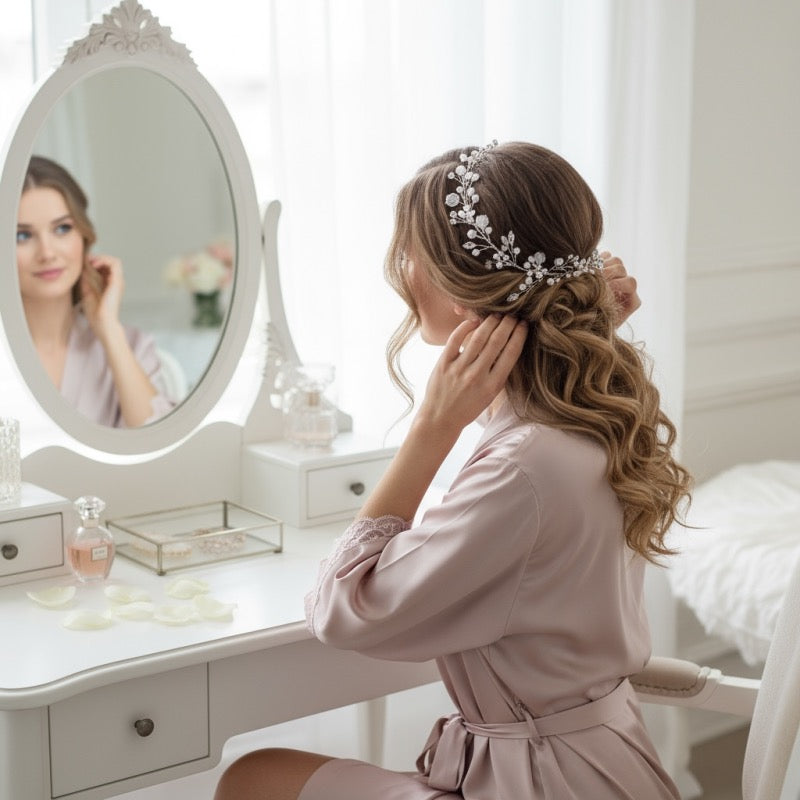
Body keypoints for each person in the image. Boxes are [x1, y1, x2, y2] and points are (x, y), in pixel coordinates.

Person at [215, 140, 692, 799]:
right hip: (611, 764)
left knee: (253, 779)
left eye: (413, 254)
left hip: (544, 784)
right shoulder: (600, 409)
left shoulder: (523, 467)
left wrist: (430, 431)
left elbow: (341, 610)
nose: (403, 273)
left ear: (469, 295)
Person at [16, 155, 175, 427]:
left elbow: (159, 446)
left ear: (84, 236)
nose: (47, 253)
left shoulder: (132, 346)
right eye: (22, 235)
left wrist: (108, 330)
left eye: (62, 228)